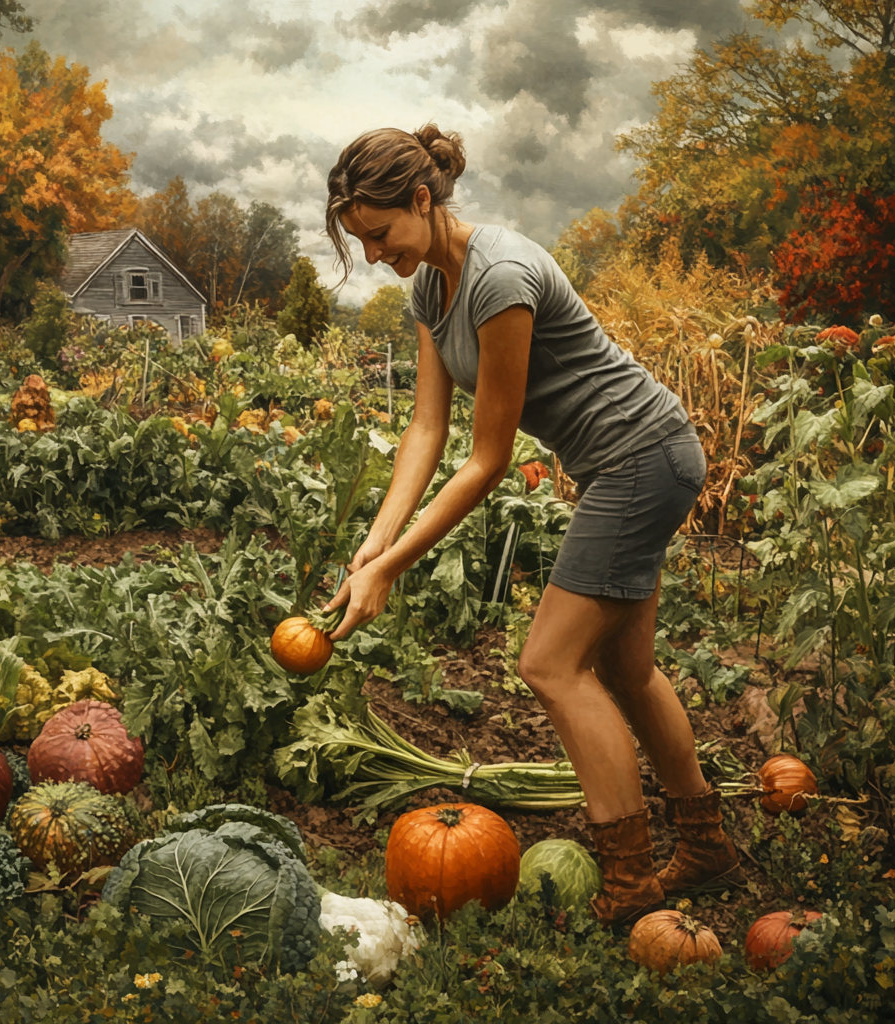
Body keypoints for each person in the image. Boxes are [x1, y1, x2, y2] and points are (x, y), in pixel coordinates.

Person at [322, 124, 744, 926]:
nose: (374, 254)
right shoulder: (429, 290)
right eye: (360, 241)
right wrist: (374, 546)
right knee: (626, 670)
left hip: (642, 458)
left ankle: (628, 883)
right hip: (629, 462)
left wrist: (393, 569)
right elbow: (424, 432)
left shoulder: (501, 277)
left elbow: (486, 461)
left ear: (422, 199)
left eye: (380, 234)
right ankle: (707, 847)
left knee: (550, 665)